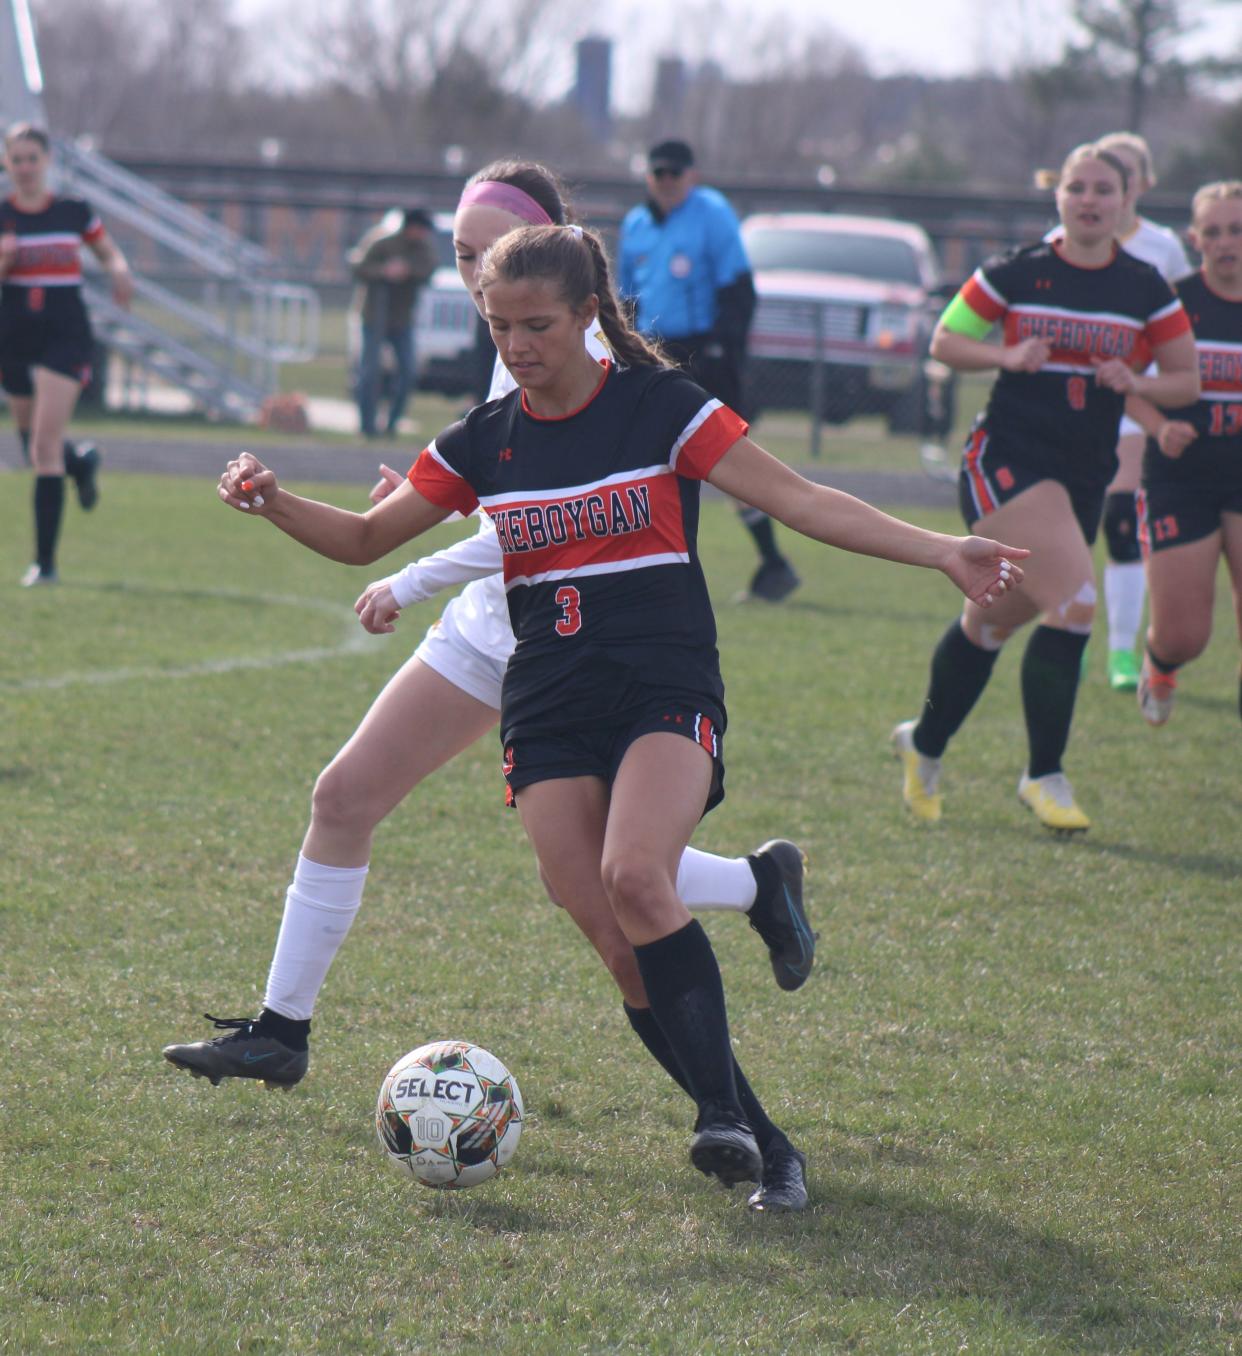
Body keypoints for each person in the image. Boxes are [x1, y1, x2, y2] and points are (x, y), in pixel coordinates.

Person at [208, 222, 1025, 1199]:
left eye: (538, 325)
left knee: (637, 875)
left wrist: (941, 549)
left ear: (589, 313)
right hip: (548, 703)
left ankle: (720, 1114)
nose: (518, 346)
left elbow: (802, 501)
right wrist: (274, 500)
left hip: (663, 686)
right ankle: (762, 1137)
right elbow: (365, 539)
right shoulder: (484, 438)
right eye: (499, 325)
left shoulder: (661, 409)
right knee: (610, 937)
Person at [163, 162, 817, 1212]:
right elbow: (473, 506)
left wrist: (409, 574)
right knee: (543, 879)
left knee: (632, 880)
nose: (490, 305)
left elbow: (554, 515)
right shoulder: (506, 381)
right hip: (524, 643)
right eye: (468, 270)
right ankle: (284, 1031)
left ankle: (738, 1107)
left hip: (617, 647)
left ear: (565, 274)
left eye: (489, 257)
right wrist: (295, 504)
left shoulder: (622, 383)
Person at [892, 142, 1198, 834]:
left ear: (1126, 203)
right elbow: (946, 341)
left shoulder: (1145, 286)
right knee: (1077, 602)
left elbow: (1186, 380)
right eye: (1076, 188)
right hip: (1006, 458)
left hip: (1083, 472)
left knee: (996, 619)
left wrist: (1137, 383)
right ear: (1057, 196)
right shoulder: (1017, 270)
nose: (1090, 200)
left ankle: (924, 744)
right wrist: (1004, 353)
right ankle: (1045, 774)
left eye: (1103, 190)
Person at [617, 139, 799, 604]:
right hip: (654, 352)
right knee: (647, 461)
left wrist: (723, 349)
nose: (666, 182)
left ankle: (773, 562)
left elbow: (738, 288)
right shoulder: (636, 224)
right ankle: (649, 567)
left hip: (706, 350)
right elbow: (626, 299)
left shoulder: (712, 214)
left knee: (727, 462)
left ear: (691, 176)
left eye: (674, 173)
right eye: (658, 173)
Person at [1074, 133, 1195, 691]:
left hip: (1130, 401)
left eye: (1119, 175)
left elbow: (1176, 331)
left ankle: (1122, 652)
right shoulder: (1061, 240)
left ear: (1140, 184)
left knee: (1122, 520)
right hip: (1067, 403)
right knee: (1072, 525)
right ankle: (1064, 630)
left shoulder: (1162, 248)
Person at [1124, 181, 1242, 726]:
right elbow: (1124, 381)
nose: (1225, 242)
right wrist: (1157, 425)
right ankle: (1160, 663)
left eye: (1236, 229)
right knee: (1185, 635)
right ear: (1194, 238)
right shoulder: (1173, 303)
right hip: (1181, 478)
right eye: (1213, 232)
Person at [1, 122, 132, 586]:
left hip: (65, 337)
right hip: (15, 337)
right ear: (6, 163)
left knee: (42, 446)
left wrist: (119, 271)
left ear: (47, 161)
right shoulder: (3, 216)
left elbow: (107, 252)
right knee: (32, 446)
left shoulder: (73, 211)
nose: (24, 167)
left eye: (32, 158)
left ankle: (45, 565)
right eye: (16, 159)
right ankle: (82, 463)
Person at [350, 206, 437, 438]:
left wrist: (407, 271)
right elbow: (358, 266)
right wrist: (383, 271)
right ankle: (366, 426)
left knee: (408, 371)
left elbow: (428, 269)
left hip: (402, 320)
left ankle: (392, 424)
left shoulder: (422, 248)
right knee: (369, 372)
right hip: (373, 316)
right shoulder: (381, 242)